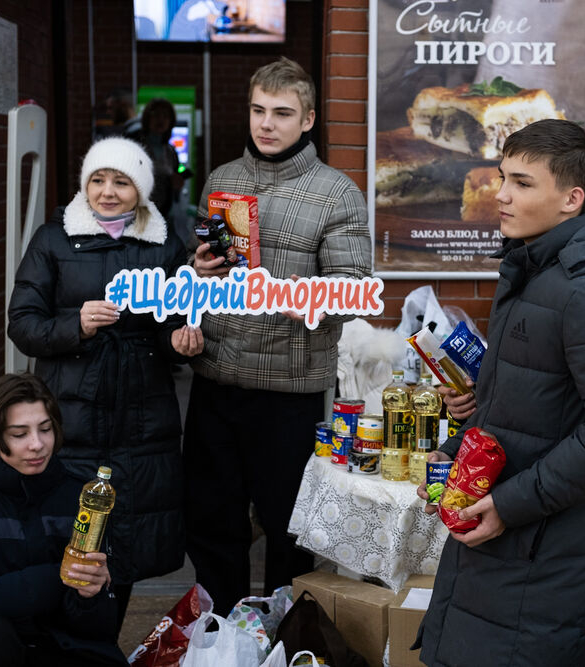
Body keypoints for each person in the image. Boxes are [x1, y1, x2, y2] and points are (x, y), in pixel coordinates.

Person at [415, 119, 585, 666]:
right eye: (503, 177)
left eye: (522, 183)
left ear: (572, 199)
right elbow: (524, 405)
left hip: (543, 548)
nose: (499, 194)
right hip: (505, 536)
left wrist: (509, 502)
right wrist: (456, 452)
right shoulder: (531, 267)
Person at [184, 56, 372, 615]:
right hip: (216, 380)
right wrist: (198, 271)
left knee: (290, 529)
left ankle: (286, 636)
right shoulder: (222, 179)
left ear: (308, 119)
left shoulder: (337, 192)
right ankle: (220, 633)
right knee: (212, 522)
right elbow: (202, 270)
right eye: (258, 110)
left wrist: (286, 292)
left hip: (287, 390)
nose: (267, 124)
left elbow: (352, 289)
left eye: (282, 113)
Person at [8, 137, 203, 632]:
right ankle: (69, 646)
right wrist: (76, 324)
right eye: (98, 180)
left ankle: (102, 643)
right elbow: (23, 324)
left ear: (140, 190)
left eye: (121, 182)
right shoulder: (53, 240)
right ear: (84, 184)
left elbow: (174, 318)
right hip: (72, 414)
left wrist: (181, 338)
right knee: (70, 537)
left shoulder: (163, 245)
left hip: (142, 414)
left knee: (130, 538)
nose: (108, 192)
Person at [0, 373, 127, 667]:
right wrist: (59, 576)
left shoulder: (83, 497)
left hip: (64, 645)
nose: (37, 445)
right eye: (19, 434)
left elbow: (100, 628)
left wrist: (90, 596)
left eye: (45, 429)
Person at [133, 98, 184, 223]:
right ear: (147, 119)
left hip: (163, 213)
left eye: (165, 116)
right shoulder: (137, 146)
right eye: (156, 115)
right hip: (138, 212)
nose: (161, 119)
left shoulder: (170, 151)